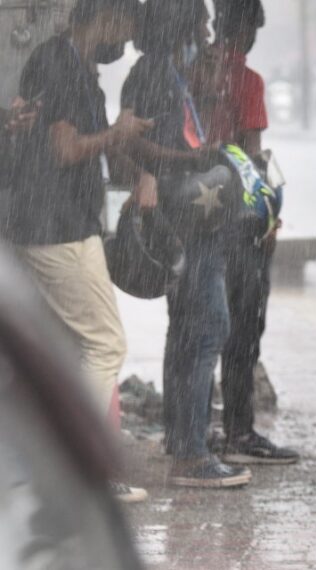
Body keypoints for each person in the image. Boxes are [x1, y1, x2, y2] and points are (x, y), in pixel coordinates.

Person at [4, 0, 154, 503]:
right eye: (128, 26)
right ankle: (84, 472)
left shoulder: (68, 64)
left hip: (49, 222)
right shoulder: (62, 63)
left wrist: (129, 156)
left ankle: (40, 466)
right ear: (107, 16)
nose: (129, 40)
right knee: (105, 345)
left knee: (66, 350)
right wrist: (118, 132)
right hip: (60, 229)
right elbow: (65, 150)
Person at [122, 0, 251, 488]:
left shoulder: (168, 71)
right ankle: (192, 455)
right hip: (190, 223)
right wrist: (194, 159)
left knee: (187, 331)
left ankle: (182, 438)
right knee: (206, 328)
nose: (206, 28)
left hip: (193, 221)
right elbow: (135, 143)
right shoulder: (155, 72)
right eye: (199, 20)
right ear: (180, 26)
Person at [209, 0, 299, 465]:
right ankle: (239, 432)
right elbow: (251, 161)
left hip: (194, 217)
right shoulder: (247, 81)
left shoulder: (193, 71)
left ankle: (189, 428)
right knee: (244, 327)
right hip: (238, 225)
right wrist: (267, 218)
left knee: (198, 325)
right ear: (248, 30)